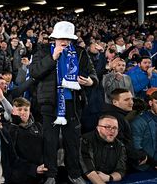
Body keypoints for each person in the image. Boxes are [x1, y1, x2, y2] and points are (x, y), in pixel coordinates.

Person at [30, 21, 98, 184]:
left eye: (68, 39)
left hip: (73, 103)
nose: (65, 41)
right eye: (61, 38)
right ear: (54, 38)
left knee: (73, 141)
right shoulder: (43, 50)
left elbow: (93, 74)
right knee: (50, 141)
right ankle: (51, 175)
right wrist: (52, 58)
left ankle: (74, 173)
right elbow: (34, 72)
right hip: (50, 103)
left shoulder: (81, 53)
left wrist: (90, 82)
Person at [80, 115, 127, 183]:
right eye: (107, 127)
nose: (112, 131)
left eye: (115, 128)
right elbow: (89, 171)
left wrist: (109, 177)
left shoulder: (120, 145)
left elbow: (121, 171)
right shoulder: (85, 141)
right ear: (98, 128)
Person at [131, 90, 157, 171]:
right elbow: (136, 148)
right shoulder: (139, 122)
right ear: (150, 103)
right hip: (145, 168)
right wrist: (153, 163)